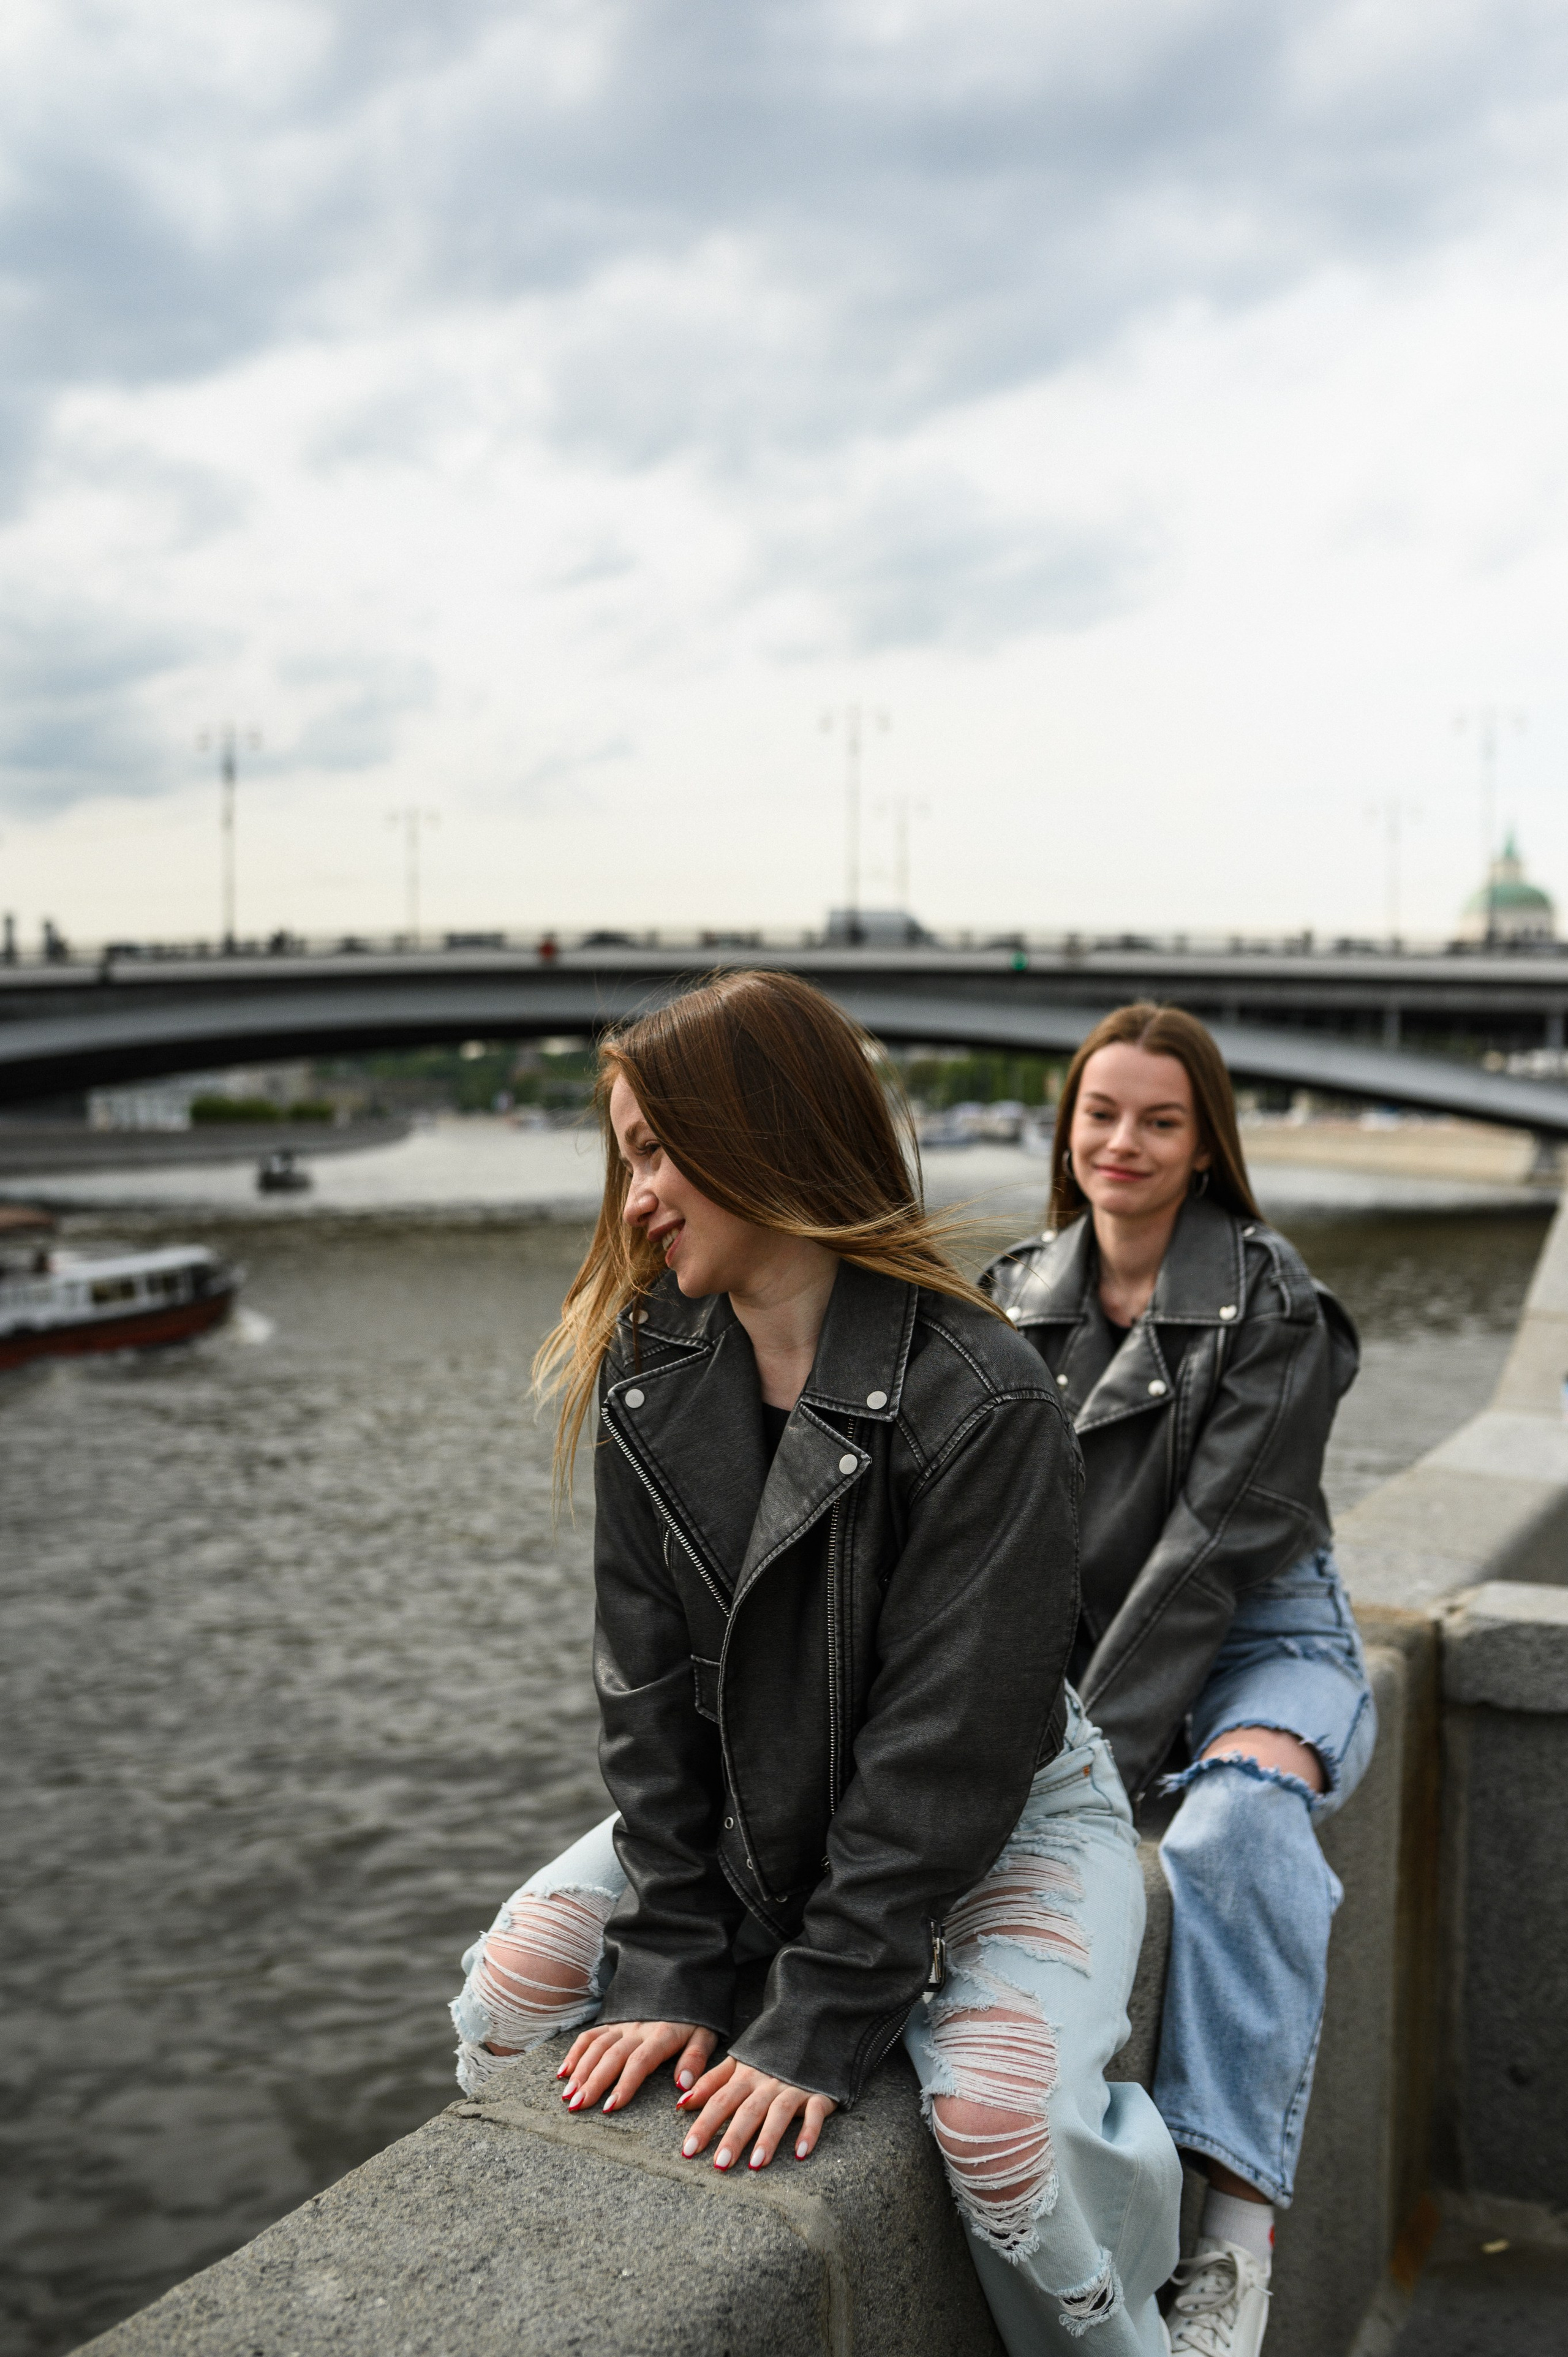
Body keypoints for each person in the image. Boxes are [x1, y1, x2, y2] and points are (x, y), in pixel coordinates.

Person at [451, 971, 1182, 2356]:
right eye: (626, 1158)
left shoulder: (985, 1396)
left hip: (1001, 1817)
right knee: (513, 1987)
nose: (634, 1199)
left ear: (764, 1141)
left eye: (657, 1154)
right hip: (748, 1800)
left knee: (996, 2126)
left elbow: (945, 1752)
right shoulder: (646, 1363)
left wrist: (823, 2006)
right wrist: (672, 1957)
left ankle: (1147, 2302)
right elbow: (645, 1698)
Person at [984, 1004, 1370, 2357]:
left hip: (1262, 1636)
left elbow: (1214, 1553)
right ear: (1066, 1127)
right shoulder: (1007, 1295)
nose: (1122, 1143)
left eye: (1158, 1119)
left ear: (1204, 1144)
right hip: (1085, 1647)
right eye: (1100, 1113)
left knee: (1232, 1825)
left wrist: (1070, 1765)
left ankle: (1233, 2246)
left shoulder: (1270, 1301)